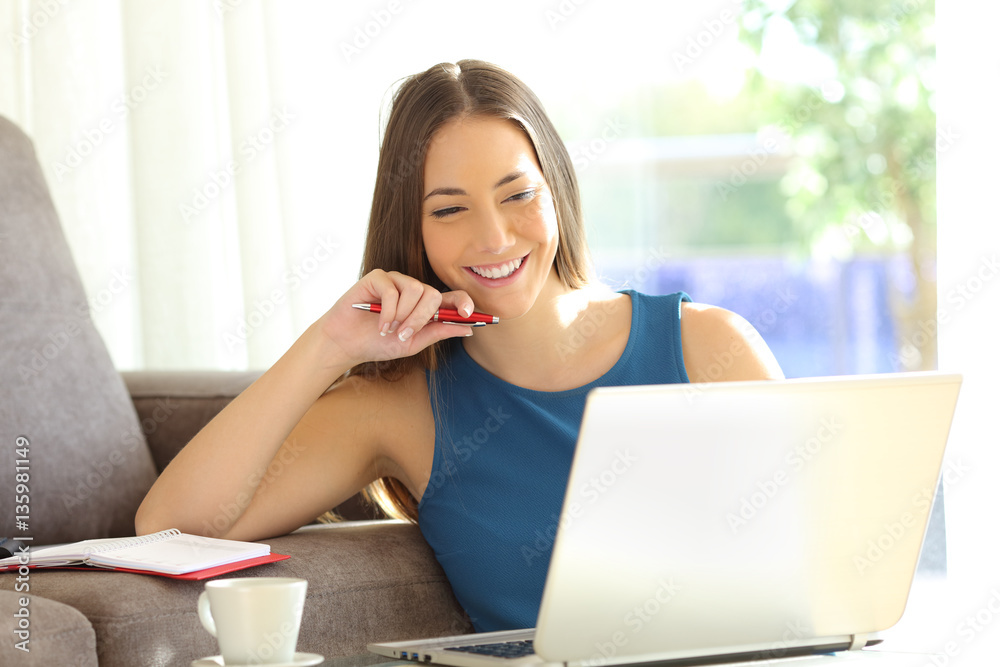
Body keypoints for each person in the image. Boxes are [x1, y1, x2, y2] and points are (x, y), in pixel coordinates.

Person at [135, 59, 783, 632]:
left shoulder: (709, 347)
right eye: (450, 210)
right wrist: (328, 344)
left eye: (518, 194)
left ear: (556, 189)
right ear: (411, 230)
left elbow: (817, 561)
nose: (495, 237)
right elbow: (171, 528)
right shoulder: (395, 408)